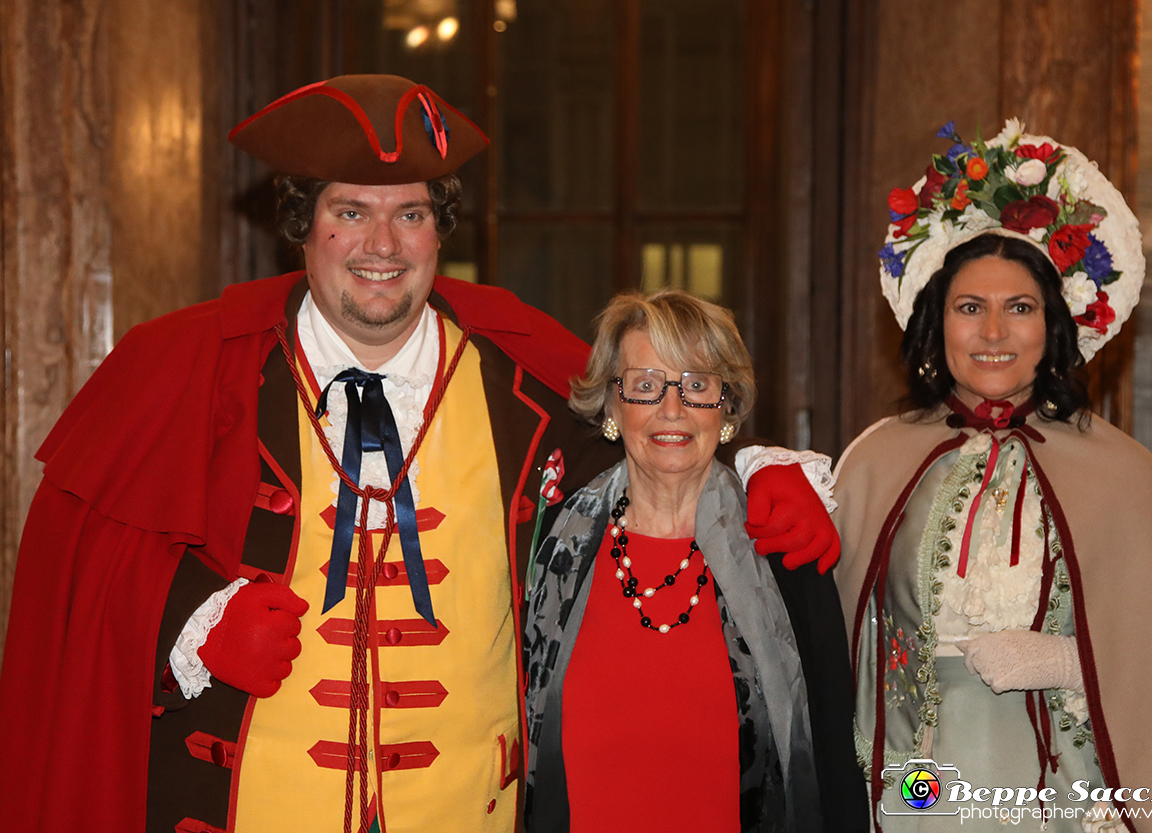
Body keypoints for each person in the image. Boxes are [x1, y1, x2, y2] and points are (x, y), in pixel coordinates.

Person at [0, 75, 837, 833]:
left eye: (410, 213)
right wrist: (194, 624)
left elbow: (658, 437)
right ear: (302, 224)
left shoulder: (523, 382)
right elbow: (82, 577)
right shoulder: (193, 370)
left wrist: (763, 473)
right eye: (350, 212)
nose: (383, 244)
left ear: (441, 231)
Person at [835, 120, 1152, 832]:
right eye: (971, 307)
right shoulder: (876, 459)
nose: (993, 332)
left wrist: (1071, 659)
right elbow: (828, 639)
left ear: (1053, 327)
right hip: (917, 793)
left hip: (1068, 791)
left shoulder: (1126, 476)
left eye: (1019, 308)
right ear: (937, 325)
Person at [524, 290, 868, 833]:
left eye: (696, 385)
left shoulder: (782, 547)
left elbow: (833, 744)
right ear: (612, 407)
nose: (672, 408)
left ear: (726, 408)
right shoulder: (554, 552)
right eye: (645, 385)